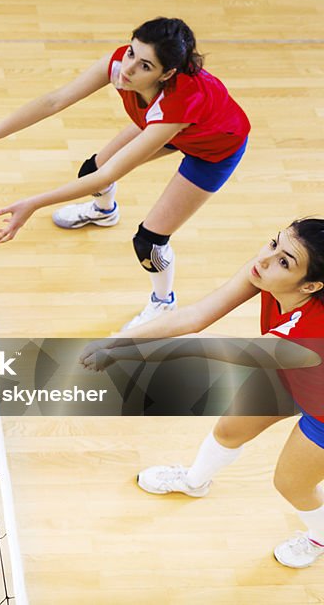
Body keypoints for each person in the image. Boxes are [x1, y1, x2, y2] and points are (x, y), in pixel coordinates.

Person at [0, 17, 250, 329]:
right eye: (131, 53)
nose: (128, 70)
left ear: (167, 73)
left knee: (149, 242)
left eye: (144, 66)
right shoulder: (119, 66)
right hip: (170, 126)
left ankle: (164, 302)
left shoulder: (179, 105)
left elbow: (110, 175)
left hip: (213, 149)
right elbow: (54, 101)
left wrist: (34, 203)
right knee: (92, 167)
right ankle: (104, 212)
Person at [80, 219, 324, 569]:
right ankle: (194, 482)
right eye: (273, 244)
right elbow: (195, 316)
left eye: (285, 261)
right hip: (296, 376)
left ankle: (320, 535)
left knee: (291, 484)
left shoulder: (308, 333)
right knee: (229, 429)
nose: (266, 259)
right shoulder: (263, 272)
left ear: (312, 285)